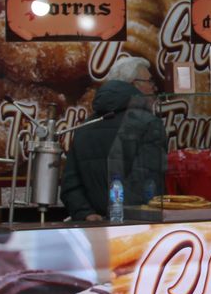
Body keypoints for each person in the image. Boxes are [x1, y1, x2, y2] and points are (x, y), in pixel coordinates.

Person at [60, 55, 167, 222]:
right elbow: (149, 183)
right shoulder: (149, 124)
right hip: (136, 227)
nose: (154, 88)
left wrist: (86, 213)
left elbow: (70, 184)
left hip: (95, 229)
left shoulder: (84, 126)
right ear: (133, 84)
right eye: (150, 81)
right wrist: (122, 218)